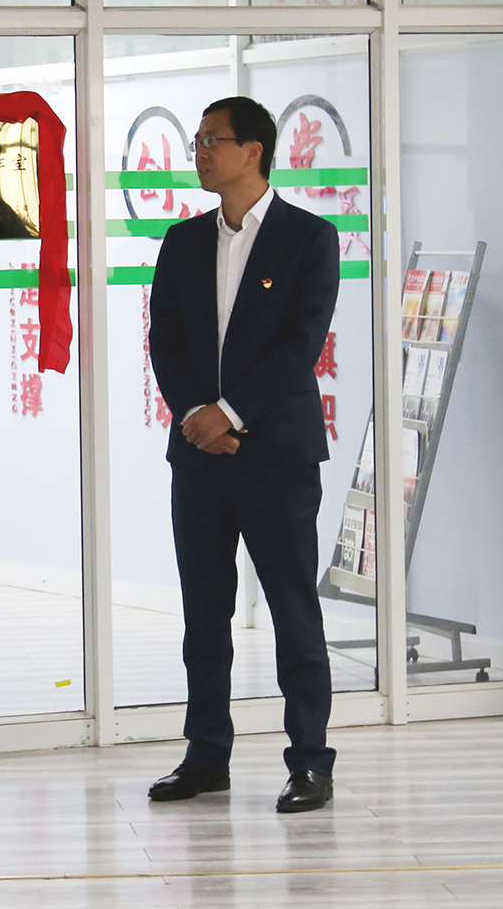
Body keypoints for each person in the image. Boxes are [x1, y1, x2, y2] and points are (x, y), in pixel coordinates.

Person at [146, 97, 340, 813]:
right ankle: (206, 757)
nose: (200, 152)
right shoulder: (183, 240)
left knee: (293, 611)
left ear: (253, 150)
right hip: (199, 456)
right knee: (204, 616)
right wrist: (195, 417)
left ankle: (310, 762)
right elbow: (165, 340)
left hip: (276, 456)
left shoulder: (309, 237)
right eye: (197, 141)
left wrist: (227, 414)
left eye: (213, 140)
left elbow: (301, 344)